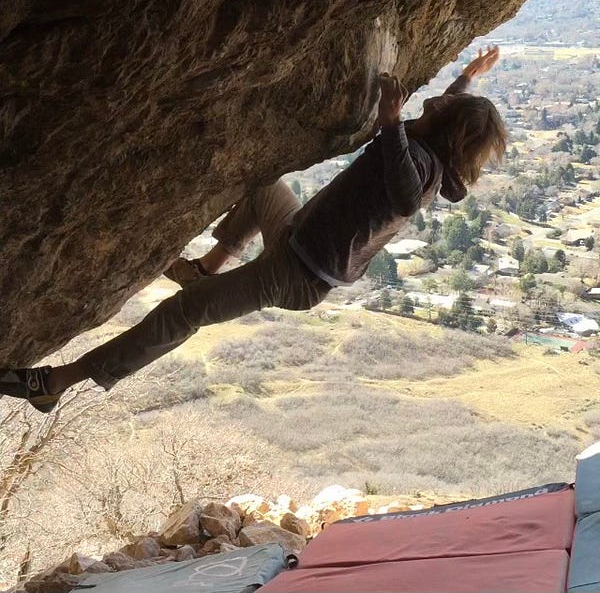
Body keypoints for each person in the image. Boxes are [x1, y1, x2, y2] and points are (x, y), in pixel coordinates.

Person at [0, 47, 505, 412]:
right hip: (297, 238)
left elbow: (403, 194)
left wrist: (391, 122)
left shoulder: (418, 168)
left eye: (442, 108)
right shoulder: (431, 151)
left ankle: (54, 383)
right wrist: (467, 77)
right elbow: (441, 112)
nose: (432, 103)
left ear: (446, 129)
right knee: (264, 187)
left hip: (298, 274)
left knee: (185, 313)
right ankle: (206, 267)